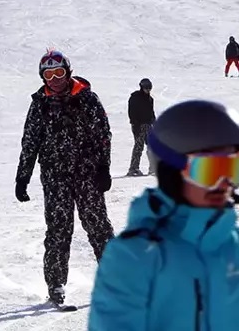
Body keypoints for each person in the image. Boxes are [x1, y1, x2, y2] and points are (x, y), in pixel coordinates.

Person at [89, 99, 239, 330]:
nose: (224, 184)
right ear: (172, 171)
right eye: (210, 170)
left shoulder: (233, 246)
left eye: (233, 170)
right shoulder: (134, 256)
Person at [14, 49, 114, 305]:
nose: (55, 79)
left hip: (87, 175)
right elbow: (30, 141)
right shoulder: (39, 104)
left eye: (59, 72)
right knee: (58, 229)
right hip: (55, 177)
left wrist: (104, 168)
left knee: (99, 226)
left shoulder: (87, 99)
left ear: (68, 71)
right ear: (42, 77)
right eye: (49, 74)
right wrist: (22, 177)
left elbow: (103, 135)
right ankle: (56, 285)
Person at [127, 78, 157, 176]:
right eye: (146, 89)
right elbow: (131, 111)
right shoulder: (135, 97)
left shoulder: (150, 99)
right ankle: (133, 168)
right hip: (138, 125)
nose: (148, 91)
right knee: (138, 147)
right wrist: (134, 123)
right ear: (142, 87)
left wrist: (154, 121)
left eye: (149, 89)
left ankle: (153, 168)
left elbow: (151, 112)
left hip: (148, 124)